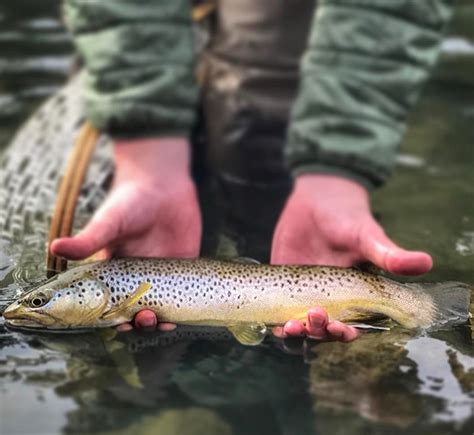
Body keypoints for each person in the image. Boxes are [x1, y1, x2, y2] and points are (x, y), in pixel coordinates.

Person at [51, 0, 453, 341]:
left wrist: (336, 172)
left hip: (288, 38)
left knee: (258, 116)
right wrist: (147, 160)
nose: (33, 306)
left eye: (39, 302)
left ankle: (419, 309)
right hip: (125, 34)